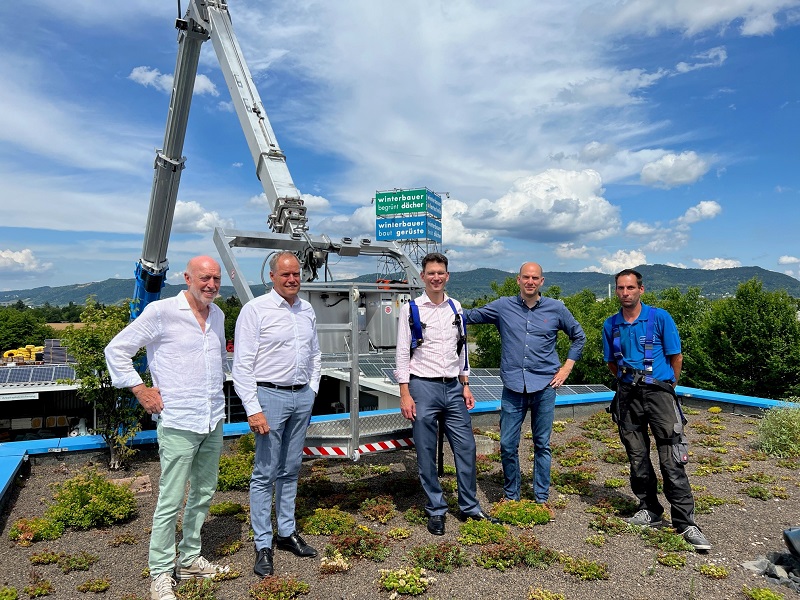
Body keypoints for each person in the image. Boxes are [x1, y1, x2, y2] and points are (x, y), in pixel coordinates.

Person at [105, 256, 230, 600]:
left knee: (204, 492)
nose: (211, 285)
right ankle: (160, 572)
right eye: (205, 278)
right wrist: (140, 389)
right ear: (187, 278)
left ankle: (189, 559)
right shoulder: (161, 312)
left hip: (212, 418)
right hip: (178, 420)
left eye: (216, 279)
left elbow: (216, 362)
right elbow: (116, 349)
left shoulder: (217, 315)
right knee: (171, 499)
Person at [602, 268, 711, 551]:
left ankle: (685, 522)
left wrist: (668, 386)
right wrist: (628, 382)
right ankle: (649, 508)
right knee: (637, 456)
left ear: (641, 289)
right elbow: (612, 363)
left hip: (659, 393)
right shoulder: (611, 324)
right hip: (628, 395)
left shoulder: (660, 318)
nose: (625, 293)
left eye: (630, 288)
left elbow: (676, 357)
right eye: (620, 288)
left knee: (672, 457)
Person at [395, 252, 498, 536]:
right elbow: (402, 352)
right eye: (431, 273)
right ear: (422, 276)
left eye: (440, 273)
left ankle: (469, 507)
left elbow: (461, 348)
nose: (436, 277)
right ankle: (436, 510)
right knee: (426, 452)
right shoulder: (411, 309)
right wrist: (405, 392)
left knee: (466, 448)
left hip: (453, 387)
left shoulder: (456, 307)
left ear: (447, 276)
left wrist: (466, 383)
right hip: (422, 386)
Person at [464, 262, 585, 504]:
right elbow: (467, 316)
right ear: (518, 280)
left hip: (545, 386)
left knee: (542, 444)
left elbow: (579, 337)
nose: (530, 281)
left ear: (542, 281)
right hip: (513, 387)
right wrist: (438, 303)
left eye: (535, 278)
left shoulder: (556, 308)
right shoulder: (502, 306)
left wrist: (566, 368)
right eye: (526, 277)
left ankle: (541, 497)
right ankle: (512, 496)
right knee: (508, 444)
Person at [232, 251, 321, 577]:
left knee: (291, 468)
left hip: (301, 396)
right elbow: (242, 365)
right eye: (285, 274)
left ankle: (286, 531)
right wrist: (253, 408)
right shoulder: (255, 310)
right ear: (272, 276)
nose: (292, 279)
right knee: (265, 472)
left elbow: (315, 354)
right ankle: (263, 543)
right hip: (269, 397)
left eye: (296, 274)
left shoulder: (307, 309)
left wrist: (312, 390)